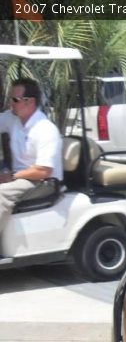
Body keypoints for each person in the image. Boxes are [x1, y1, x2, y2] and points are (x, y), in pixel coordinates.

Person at [0, 78, 63, 237]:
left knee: (1, 193)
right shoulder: (13, 119)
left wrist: (12, 176)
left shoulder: (46, 129)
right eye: (11, 99)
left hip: (43, 182)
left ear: (30, 102)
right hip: (22, 177)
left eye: (15, 100)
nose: (11, 103)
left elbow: (43, 170)